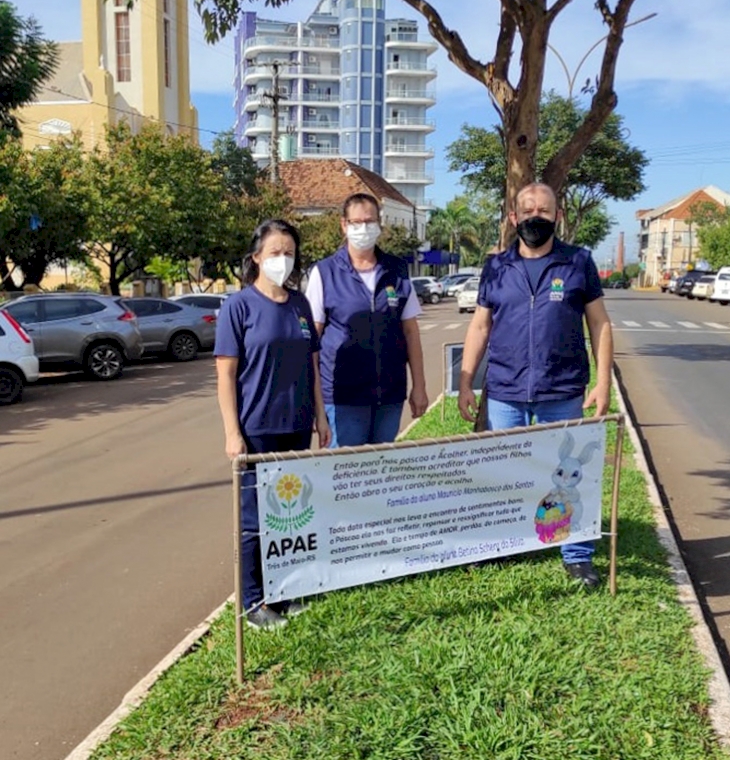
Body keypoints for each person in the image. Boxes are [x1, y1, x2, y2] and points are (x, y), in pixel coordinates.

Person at [458, 182, 613, 589]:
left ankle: (576, 556)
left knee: (566, 475)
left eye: (544, 211)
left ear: (557, 216)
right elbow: (480, 325)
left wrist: (603, 381)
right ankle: (502, 543)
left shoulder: (577, 262)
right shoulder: (496, 267)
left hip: (561, 390)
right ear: (513, 217)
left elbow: (599, 323)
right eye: (528, 210)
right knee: (504, 471)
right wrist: (465, 381)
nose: (535, 217)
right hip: (506, 391)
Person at [215, 219, 331, 630]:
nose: (283, 259)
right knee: (253, 521)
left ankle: (287, 589)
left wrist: (320, 415)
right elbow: (226, 375)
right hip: (256, 428)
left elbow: (313, 365)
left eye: (289, 252)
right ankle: (253, 601)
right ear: (256, 258)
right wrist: (233, 431)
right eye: (275, 252)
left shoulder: (299, 304)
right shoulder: (238, 307)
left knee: (291, 514)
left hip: (297, 424)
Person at [304, 192, 429, 446]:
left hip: (389, 396)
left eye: (370, 222)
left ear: (379, 224)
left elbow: (410, 333)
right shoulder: (324, 273)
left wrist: (419, 387)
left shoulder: (396, 270)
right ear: (344, 225)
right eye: (356, 222)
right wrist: (315, 403)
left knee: (379, 476)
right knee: (345, 476)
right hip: (342, 398)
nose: (364, 228)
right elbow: (311, 344)